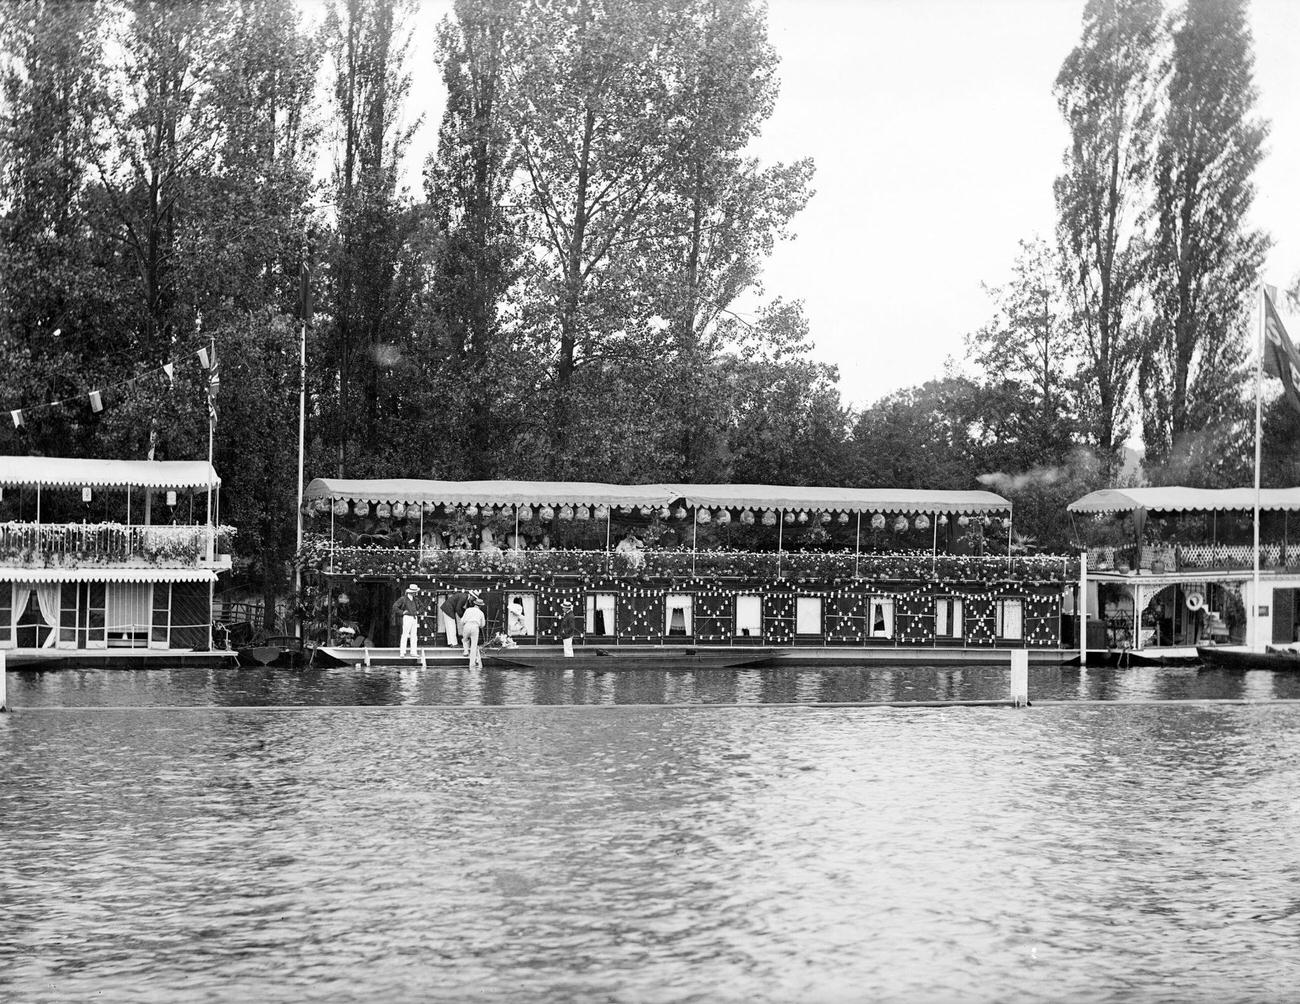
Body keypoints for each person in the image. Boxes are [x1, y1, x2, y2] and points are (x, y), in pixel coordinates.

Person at [392, 583, 422, 657]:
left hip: (414, 618)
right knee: (405, 634)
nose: (415, 593)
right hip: (407, 617)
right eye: (415, 592)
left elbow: (422, 607)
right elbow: (395, 606)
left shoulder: (416, 599)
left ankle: (413, 652)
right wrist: (402, 612)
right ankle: (402, 652)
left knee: (414, 635)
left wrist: (418, 612)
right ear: (411, 592)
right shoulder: (403, 599)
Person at [461, 597, 487, 668]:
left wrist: (464, 626)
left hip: (467, 625)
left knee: (465, 639)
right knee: (474, 646)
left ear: (475, 604)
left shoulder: (468, 610)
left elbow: (462, 621)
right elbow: (482, 625)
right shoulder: (481, 613)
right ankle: (472, 664)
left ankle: (466, 651)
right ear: (480, 606)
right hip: (475, 627)